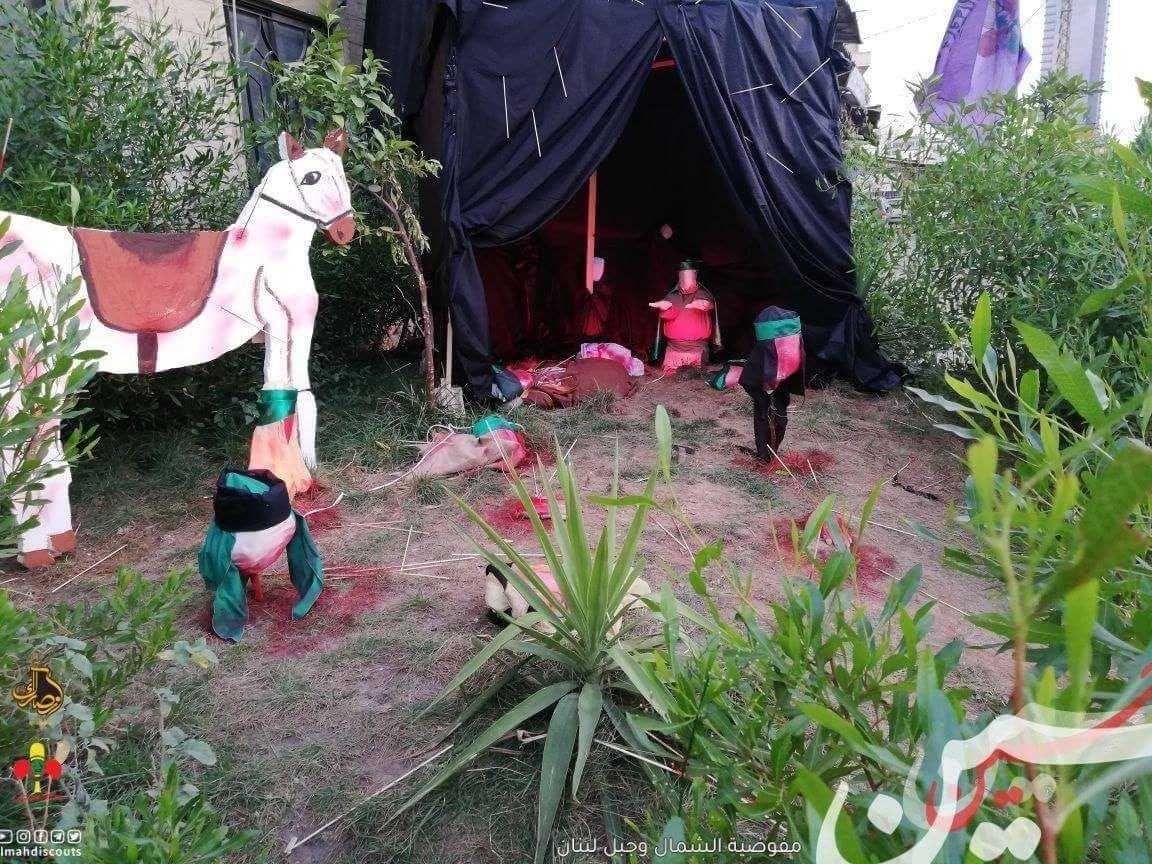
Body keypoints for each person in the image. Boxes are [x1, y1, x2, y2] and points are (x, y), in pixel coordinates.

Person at [740, 306, 804, 460]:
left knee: (780, 418)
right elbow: (749, 381)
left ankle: (772, 450)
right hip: (761, 384)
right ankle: (764, 454)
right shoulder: (759, 359)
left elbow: (794, 367)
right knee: (764, 414)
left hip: (782, 383)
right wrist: (765, 396)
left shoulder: (793, 347)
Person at [649, 259, 720, 373]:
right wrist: (665, 307)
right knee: (670, 372)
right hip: (674, 347)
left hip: (697, 347)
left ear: (695, 276)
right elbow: (670, 314)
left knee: (696, 373)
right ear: (679, 277)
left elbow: (708, 304)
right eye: (683, 276)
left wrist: (703, 304)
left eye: (690, 275)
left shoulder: (704, 294)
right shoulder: (672, 296)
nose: (686, 280)